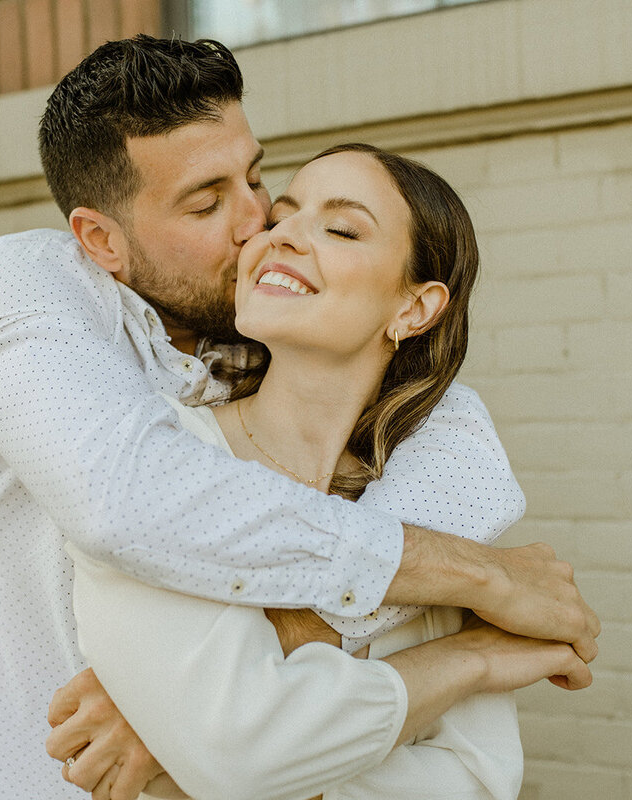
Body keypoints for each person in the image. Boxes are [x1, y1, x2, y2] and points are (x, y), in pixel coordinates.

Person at [0, 35, 598, 800]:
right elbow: (127, 501)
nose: (257, 221)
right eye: (206, 202)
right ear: (102, 241)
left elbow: (454, 436)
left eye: (256, 178)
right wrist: (181, 710)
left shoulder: (283, 345)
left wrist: (210, 712)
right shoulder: (35, 293)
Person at [61, 144, 589, 800]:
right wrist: (469, 659)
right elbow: (244, 751)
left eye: (340, 229)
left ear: (414, 308)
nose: (282, 239)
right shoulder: (158, 462)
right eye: (279, 219)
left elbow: (479, 779)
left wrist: (279, 762)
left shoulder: (429, 506)